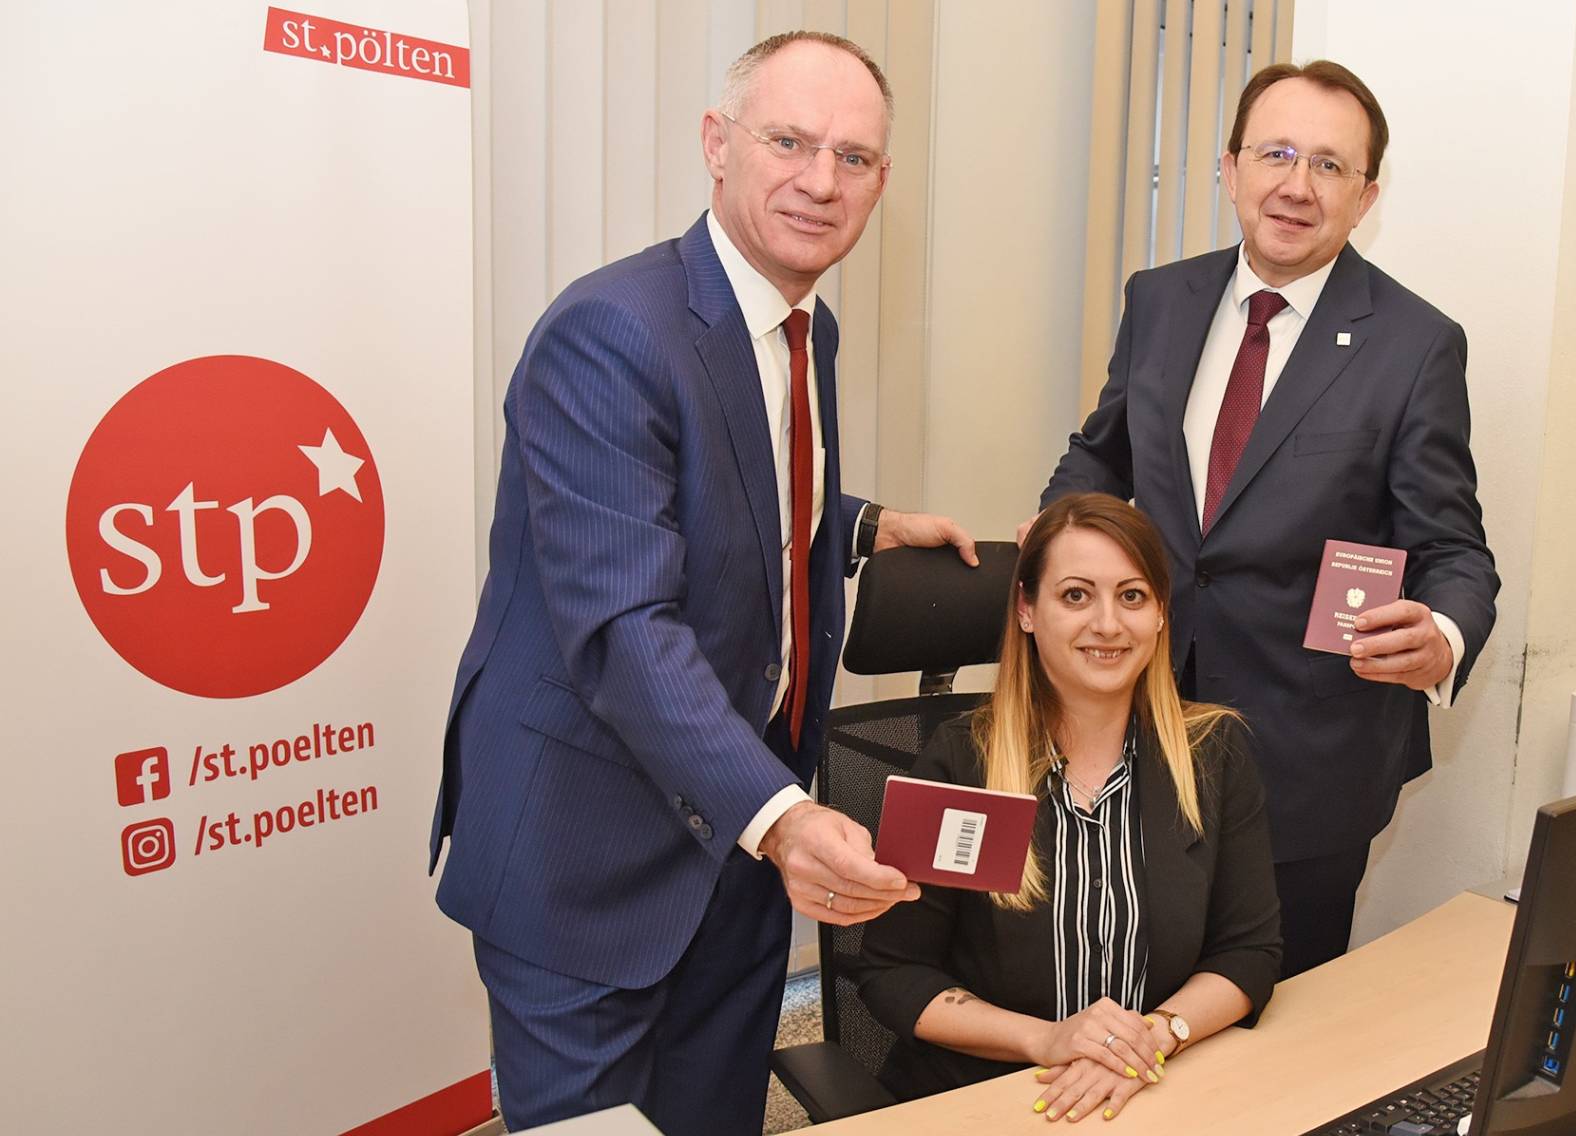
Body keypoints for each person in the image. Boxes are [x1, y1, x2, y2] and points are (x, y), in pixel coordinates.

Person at [427, 32, 976, 1135]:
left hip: (731, 837)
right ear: (716, 145)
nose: (821, 181)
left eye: (855, 157)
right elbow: (624, 619)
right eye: (789, 141)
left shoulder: (796, 323)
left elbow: (736, 471)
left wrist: (856, 520)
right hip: (589, 852)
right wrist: (779, 818)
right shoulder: (610, 330)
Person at [1036, 61, 1498, 978]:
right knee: (1124, 974)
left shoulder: (1415, 345)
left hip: (1311, 750)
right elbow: (1104, 452)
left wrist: (1442, 633)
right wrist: (1053, 543)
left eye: (1329, 166)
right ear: (1230, 166)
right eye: (1275, 153)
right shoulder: (1159, 299)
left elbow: (1453, 549)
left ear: (1366, 195)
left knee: (1280, 1014)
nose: (1296, 185)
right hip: (1139, 711)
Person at [858, 493, 1280, 1122]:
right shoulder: (961, 764)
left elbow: (1248, 952)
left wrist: (1155, 1037)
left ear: (1163, 614)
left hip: (1150, 1092)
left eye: (1132, 596)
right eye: (1076, 596)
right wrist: (1047, 1039)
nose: (1108, 625)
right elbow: (895, 972)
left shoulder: (1212, 754)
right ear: (1027, 610)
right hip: (987, 1097)